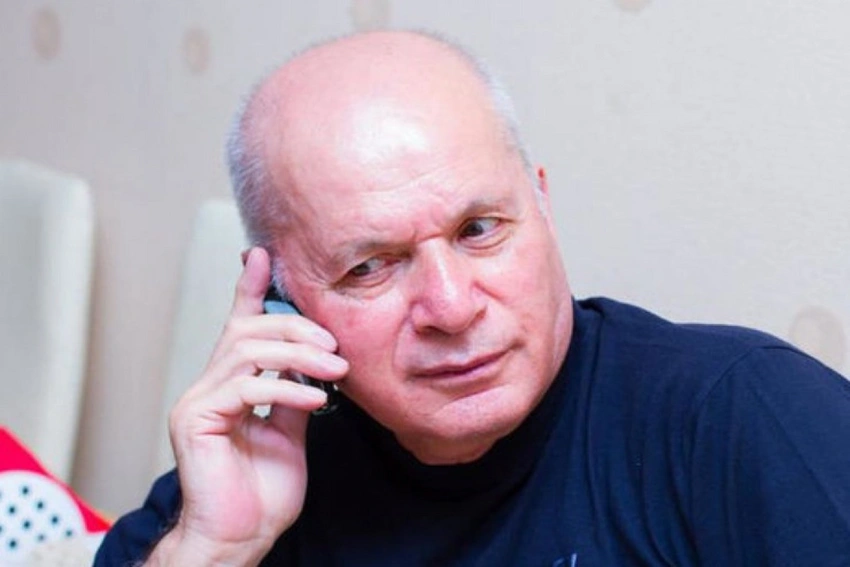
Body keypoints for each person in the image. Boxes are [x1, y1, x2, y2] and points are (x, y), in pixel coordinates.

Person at [95, 30, 850, 566]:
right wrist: (215, 549)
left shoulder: (744, 413)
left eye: (479, 230)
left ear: (542, 207)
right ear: (278, 295)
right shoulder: (253, 473)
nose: (453, 308)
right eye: (370, 266)